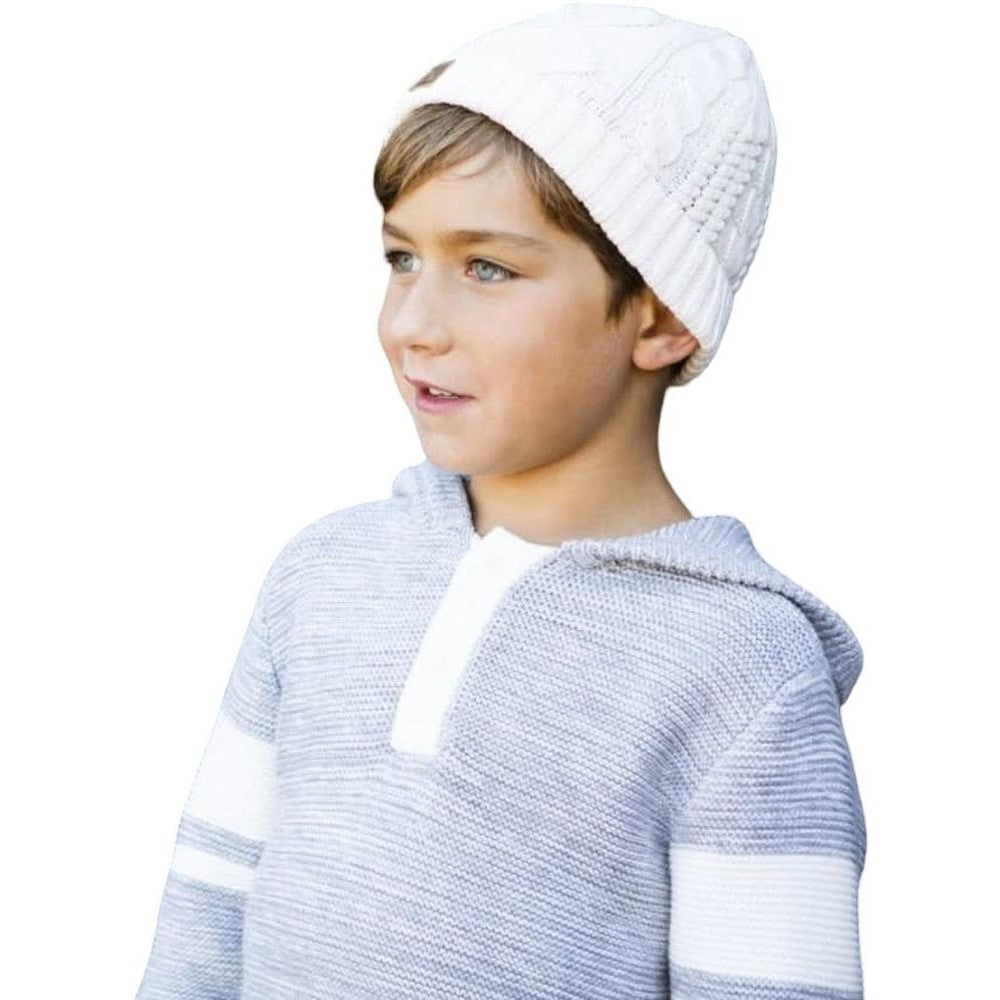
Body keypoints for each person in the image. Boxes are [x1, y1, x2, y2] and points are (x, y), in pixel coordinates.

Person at [135, 4, 867, 998]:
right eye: (401, 258)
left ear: (660, 316)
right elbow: (203, 925)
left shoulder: (743, 669)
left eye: (487, 268)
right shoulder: (322, 576)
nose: (413, 324)